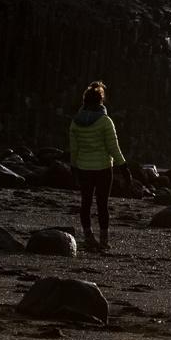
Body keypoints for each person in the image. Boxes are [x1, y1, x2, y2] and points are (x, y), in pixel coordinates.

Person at [68, 81, 125, 252]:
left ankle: (88, 236)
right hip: (103, 169)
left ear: (84, 101)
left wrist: (73, 168)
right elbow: (113, 148)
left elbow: (74, 150)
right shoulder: (105, 121)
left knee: (85, 203)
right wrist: (124, 167)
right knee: (102, 205)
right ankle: (104, 240)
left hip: (84, 168)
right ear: (101, 101)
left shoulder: (75, 122)